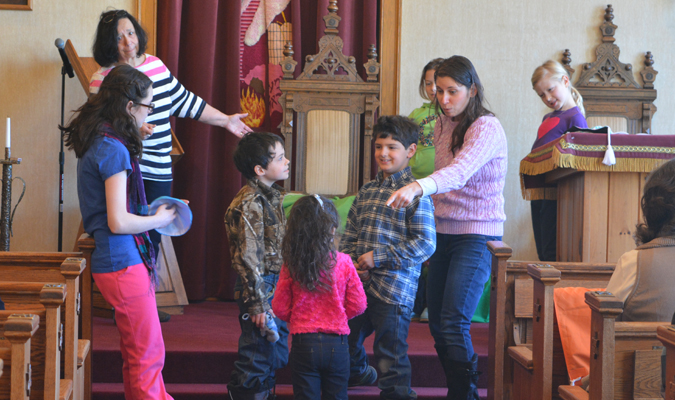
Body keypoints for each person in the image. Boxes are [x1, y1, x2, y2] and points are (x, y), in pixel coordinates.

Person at [89, 9, 252, 268]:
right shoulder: (101, 79)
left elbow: (185, 101)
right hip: (124, 171)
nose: (128, 42)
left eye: (130, 33)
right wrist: (131, 129)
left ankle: (146, 302)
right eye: (119, 37)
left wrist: (225, 120)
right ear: (109, 43)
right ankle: (130, 304)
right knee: (127, 241)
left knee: (153, 239)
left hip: (160, 168)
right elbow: (98, 126)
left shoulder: (156, 65)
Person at [386, 56, 508, 399]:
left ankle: (465, 394)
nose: (443, 99)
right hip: (443, 232)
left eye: (452, 91)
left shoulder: (486, 126)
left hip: (477, 235)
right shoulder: (441, 123)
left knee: (454, 322)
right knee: (438, 324)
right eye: (438, 91)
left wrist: (417, 187)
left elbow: (459, 172)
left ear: (472, 90)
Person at [63, 64, 177, 399]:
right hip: (121, 261)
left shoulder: (102, 138)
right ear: (130, 107)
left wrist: (133, 133)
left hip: (116, 260)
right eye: (148, 107)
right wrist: (159, 218)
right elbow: (118, 221)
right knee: (148, 352)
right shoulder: (113, 148)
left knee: (139, 353)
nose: (149, 114)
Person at [340, 115, 436, 400]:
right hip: (358, 284)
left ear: (411, 151)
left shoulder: (416, 194)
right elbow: (350, 235)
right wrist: (353, 263)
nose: (383, 153)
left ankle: (397, 394)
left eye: (392, 147)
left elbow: (425, 244)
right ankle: (357, 372)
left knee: (389, 354)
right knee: (346, 338)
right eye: (379, 146)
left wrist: (377, 258)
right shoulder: (367, 190)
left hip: (394, 290)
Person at [272, 195, 367, 400]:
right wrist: (339, 314)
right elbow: (359, 304)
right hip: (338, 343)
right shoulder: (344, 262)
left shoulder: (292, 264)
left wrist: (298, 316)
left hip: (303, 342)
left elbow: (279, 307)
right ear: (332, 228)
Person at [224, 132, 290, 400]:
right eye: (280, 157)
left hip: (273, 283)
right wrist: (259, 304)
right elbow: (249, 257)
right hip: (260, 286)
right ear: (260, 169)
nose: (287, 161)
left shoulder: (270, 196)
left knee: (271, 351)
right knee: (257, 354)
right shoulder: (250, 202)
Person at [529, 60, 588, 261]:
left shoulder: (576, 118)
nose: (547, 97)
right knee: (542, 251)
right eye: (541, 95)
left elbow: (578, 159)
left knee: (550, 250)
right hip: (540, 190)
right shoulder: (548, 117)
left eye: (550, 90)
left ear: (565, 80)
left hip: (556, 192)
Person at [408, 57, 444, 323]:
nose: (433, 89)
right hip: (416, 190)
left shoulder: (453, 114)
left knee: (437, 247)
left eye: (438, 84)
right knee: (416, 245)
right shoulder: (417, 115)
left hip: (442, 190)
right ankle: (413, 302)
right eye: (429, 83)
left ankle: (434, 304)